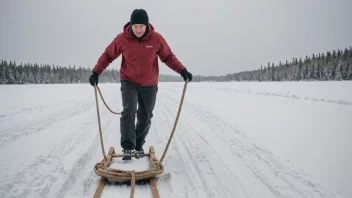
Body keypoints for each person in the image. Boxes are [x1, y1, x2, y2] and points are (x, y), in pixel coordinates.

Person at [89, 9, 192, 160]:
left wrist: (182, 70)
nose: (138, 30)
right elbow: (108, 55)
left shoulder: (156, 39)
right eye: (135, 26)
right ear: (131, 25)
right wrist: (96, 72)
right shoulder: (122, 39)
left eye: (141, 26)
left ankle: (138, 145)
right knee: (129, 110)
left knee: (145, 117)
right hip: (128, 80)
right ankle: (128, 148)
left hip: (149, 84)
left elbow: (168, 57)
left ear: (146, 26)